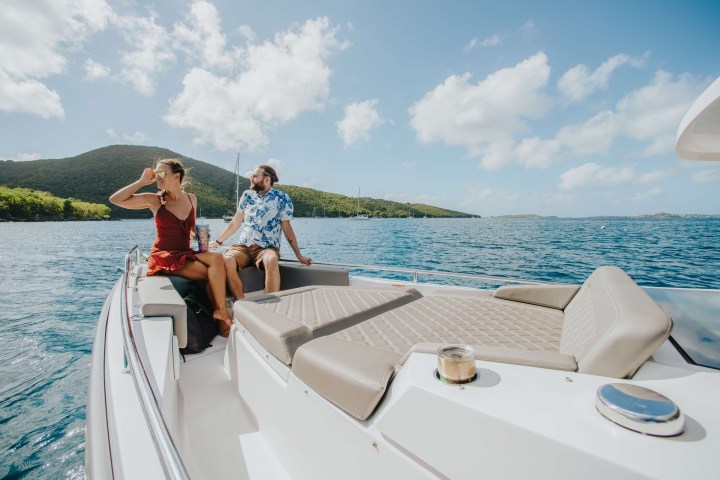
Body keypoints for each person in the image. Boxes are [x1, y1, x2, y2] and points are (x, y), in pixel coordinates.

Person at [109, 158, 234, 336]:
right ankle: (221, 315)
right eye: (155, 174)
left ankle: (219, 313)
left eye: (161, 173)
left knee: (217, 258)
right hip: (165, 255)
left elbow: (190, 229)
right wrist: (142, 181)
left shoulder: (192, 199)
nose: (157, 177)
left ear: (176, 176)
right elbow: (116, 199)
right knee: (211, 274)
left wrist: (196, 235)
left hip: (185, 252)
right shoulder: (155, 201)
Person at [210, 165, 311, 299]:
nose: (251, 178)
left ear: (267, 179)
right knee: (226, 260)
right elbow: (235, 222)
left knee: (271, 259)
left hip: (266, 248)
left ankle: (271, 308)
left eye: (255, 176)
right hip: (243, 247)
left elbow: (287, 228)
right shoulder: (247, 195)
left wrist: (299, 255)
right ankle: (241, 303)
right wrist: (218, 241)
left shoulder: (282, 198)